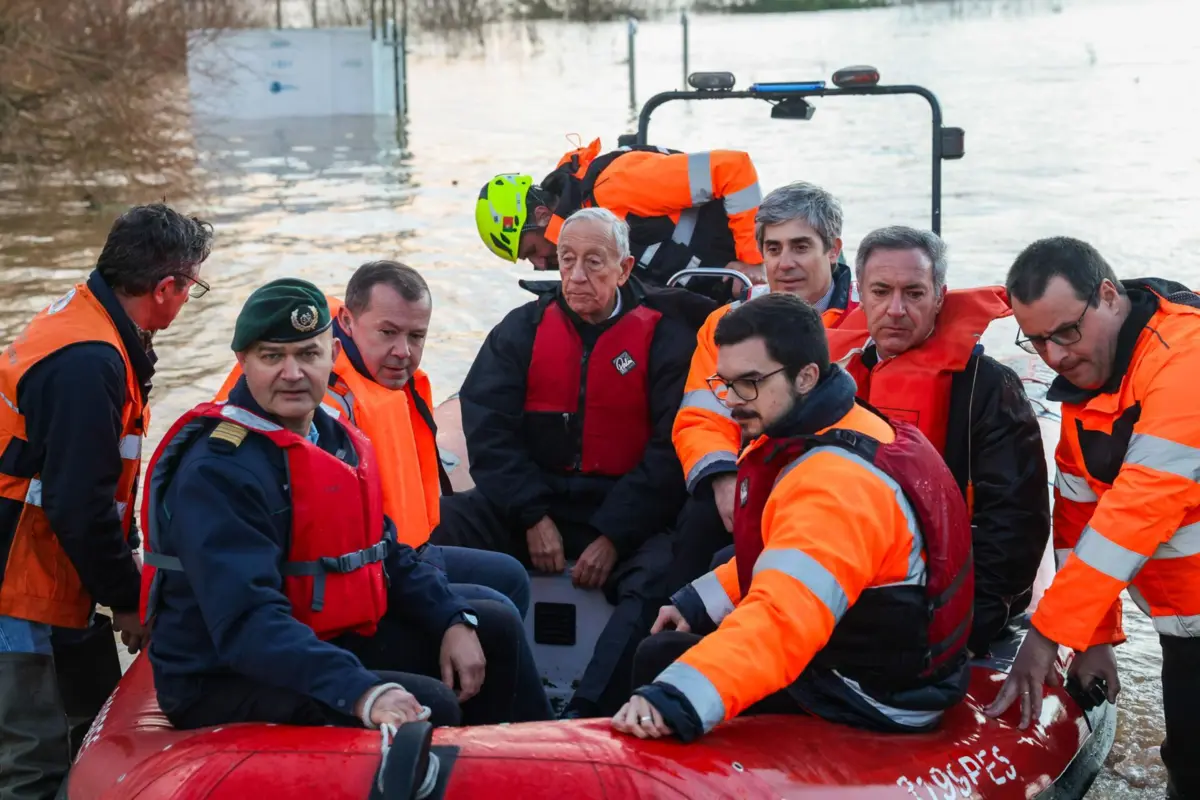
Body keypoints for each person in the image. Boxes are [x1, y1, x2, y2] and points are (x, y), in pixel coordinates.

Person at [140, 279, 552, 732]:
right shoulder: (218, 470)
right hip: (224, 673)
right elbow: (248, 624)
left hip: (308, 637)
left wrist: (452, 617)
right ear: (243, 362)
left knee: (490, 627)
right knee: (432, 703)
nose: (293, 373)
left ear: (333, 353)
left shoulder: (331, 436)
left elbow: (387, 551)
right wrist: (361, 691)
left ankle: (544, 757)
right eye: (272, 356)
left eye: (308, 354)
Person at [611, 293, 973, 742]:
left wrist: (674, 698)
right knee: (697, 604)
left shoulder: (833, 481)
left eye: (749, 383)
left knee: (658, 659)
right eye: (724, 384)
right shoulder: (851, 427)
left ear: (806, 377)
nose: (731, 402)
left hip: (873, 694)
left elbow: (783, 619)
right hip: (894, 661)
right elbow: (792, 556)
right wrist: (699, 602)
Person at [432, 207, 697, 718]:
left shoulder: (666, 336)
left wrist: (614, 534)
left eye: (594, 262)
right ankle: (466, 686)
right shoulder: (521, 331)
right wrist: (530, 515)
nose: (576, 276)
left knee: (664, 571)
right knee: (442, 525)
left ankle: (593, 709)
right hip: (537, 503)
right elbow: (488, 427)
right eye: (567, 260)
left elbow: (672, 447)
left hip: (629, 513)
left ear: (624, 269)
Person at [0, 203, 211, 800]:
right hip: (16, 578)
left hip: (50, 561)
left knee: (86, 721)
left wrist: (129, 565)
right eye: (191, 286)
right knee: (32, 759)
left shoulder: (90, 321)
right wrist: (127, 597)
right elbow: (77, 504)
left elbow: (97, 487)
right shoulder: (88, 362)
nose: (187, 297)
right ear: (166, 287)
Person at [985, 237, 1200, 800]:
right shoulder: (1090, 381)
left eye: (1066, 332)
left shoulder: (1187, 359)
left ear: (1108, 296)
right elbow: (1079, 517)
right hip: (1186, 626)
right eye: (1035, 340)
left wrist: (1047, 634)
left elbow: (1139, 508)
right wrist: (1095, 636)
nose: (1054, 355)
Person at [213, 262, 531, 619]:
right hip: (361, 573)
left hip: (401, 551)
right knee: (496, 615)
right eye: (388, 333)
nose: (403, 352)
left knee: (510, 577)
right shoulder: (322, 406)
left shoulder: (382, 374)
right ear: (346, 323)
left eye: (416, 337)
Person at [825, 226, 1050, 657]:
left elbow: (1015, 523)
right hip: (851, 582)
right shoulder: (832, 382)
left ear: (940, 297)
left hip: (952, 596)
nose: (895, 309)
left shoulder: (988, 389)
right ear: (861, 294)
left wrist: (967, 625)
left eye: (914, 293)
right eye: (880, 291)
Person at [665, 181, 863, 594]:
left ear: (833, 249)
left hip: (838, 493)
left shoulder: (872, 321)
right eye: (773, 249)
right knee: (696, 525)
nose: (785, 263)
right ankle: (678, 629)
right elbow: (703, 416)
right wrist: (721, 478)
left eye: (800, 247)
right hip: (744, 482)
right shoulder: (725, 324)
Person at [475, 138, 764, 302]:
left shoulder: (617, 184)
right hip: (705, 297)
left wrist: (752, 263)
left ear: (541, 216)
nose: (539, 265)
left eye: (531, 251)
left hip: (741, 283)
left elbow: (734, 170)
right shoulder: (582, 240)